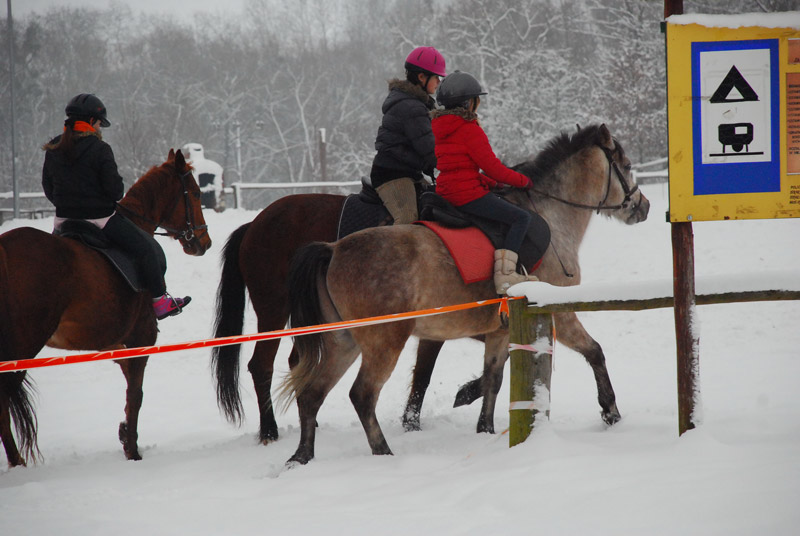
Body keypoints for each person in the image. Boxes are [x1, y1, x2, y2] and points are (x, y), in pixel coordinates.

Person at [42, 93, 190, 320]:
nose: (101, 127)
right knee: (147, 249)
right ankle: (160, 301)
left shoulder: (53, 146)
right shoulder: (100, 149)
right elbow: (115, 191)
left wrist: (67, 205)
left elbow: (48, 187)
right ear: (92, 121)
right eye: (100, 123)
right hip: (100, 220)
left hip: (63, 222)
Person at [431, 71, 538, 295]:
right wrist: (523, 181)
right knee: (521, 217)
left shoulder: (439, 128)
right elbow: (494, 167)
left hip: (445, 192)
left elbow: (458, 167)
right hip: (468, 196)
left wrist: (490, 183)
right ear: (468, 102)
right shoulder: (469, 129)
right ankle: (506, 275)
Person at [370, 46, 446, 225]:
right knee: (408, 221)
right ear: (421, 77)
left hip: (408, 172)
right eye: (436, 77)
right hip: (392, 175)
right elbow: (430, 150)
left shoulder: (419, 104)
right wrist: (455, 165)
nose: (438, 82)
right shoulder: (412, 108)